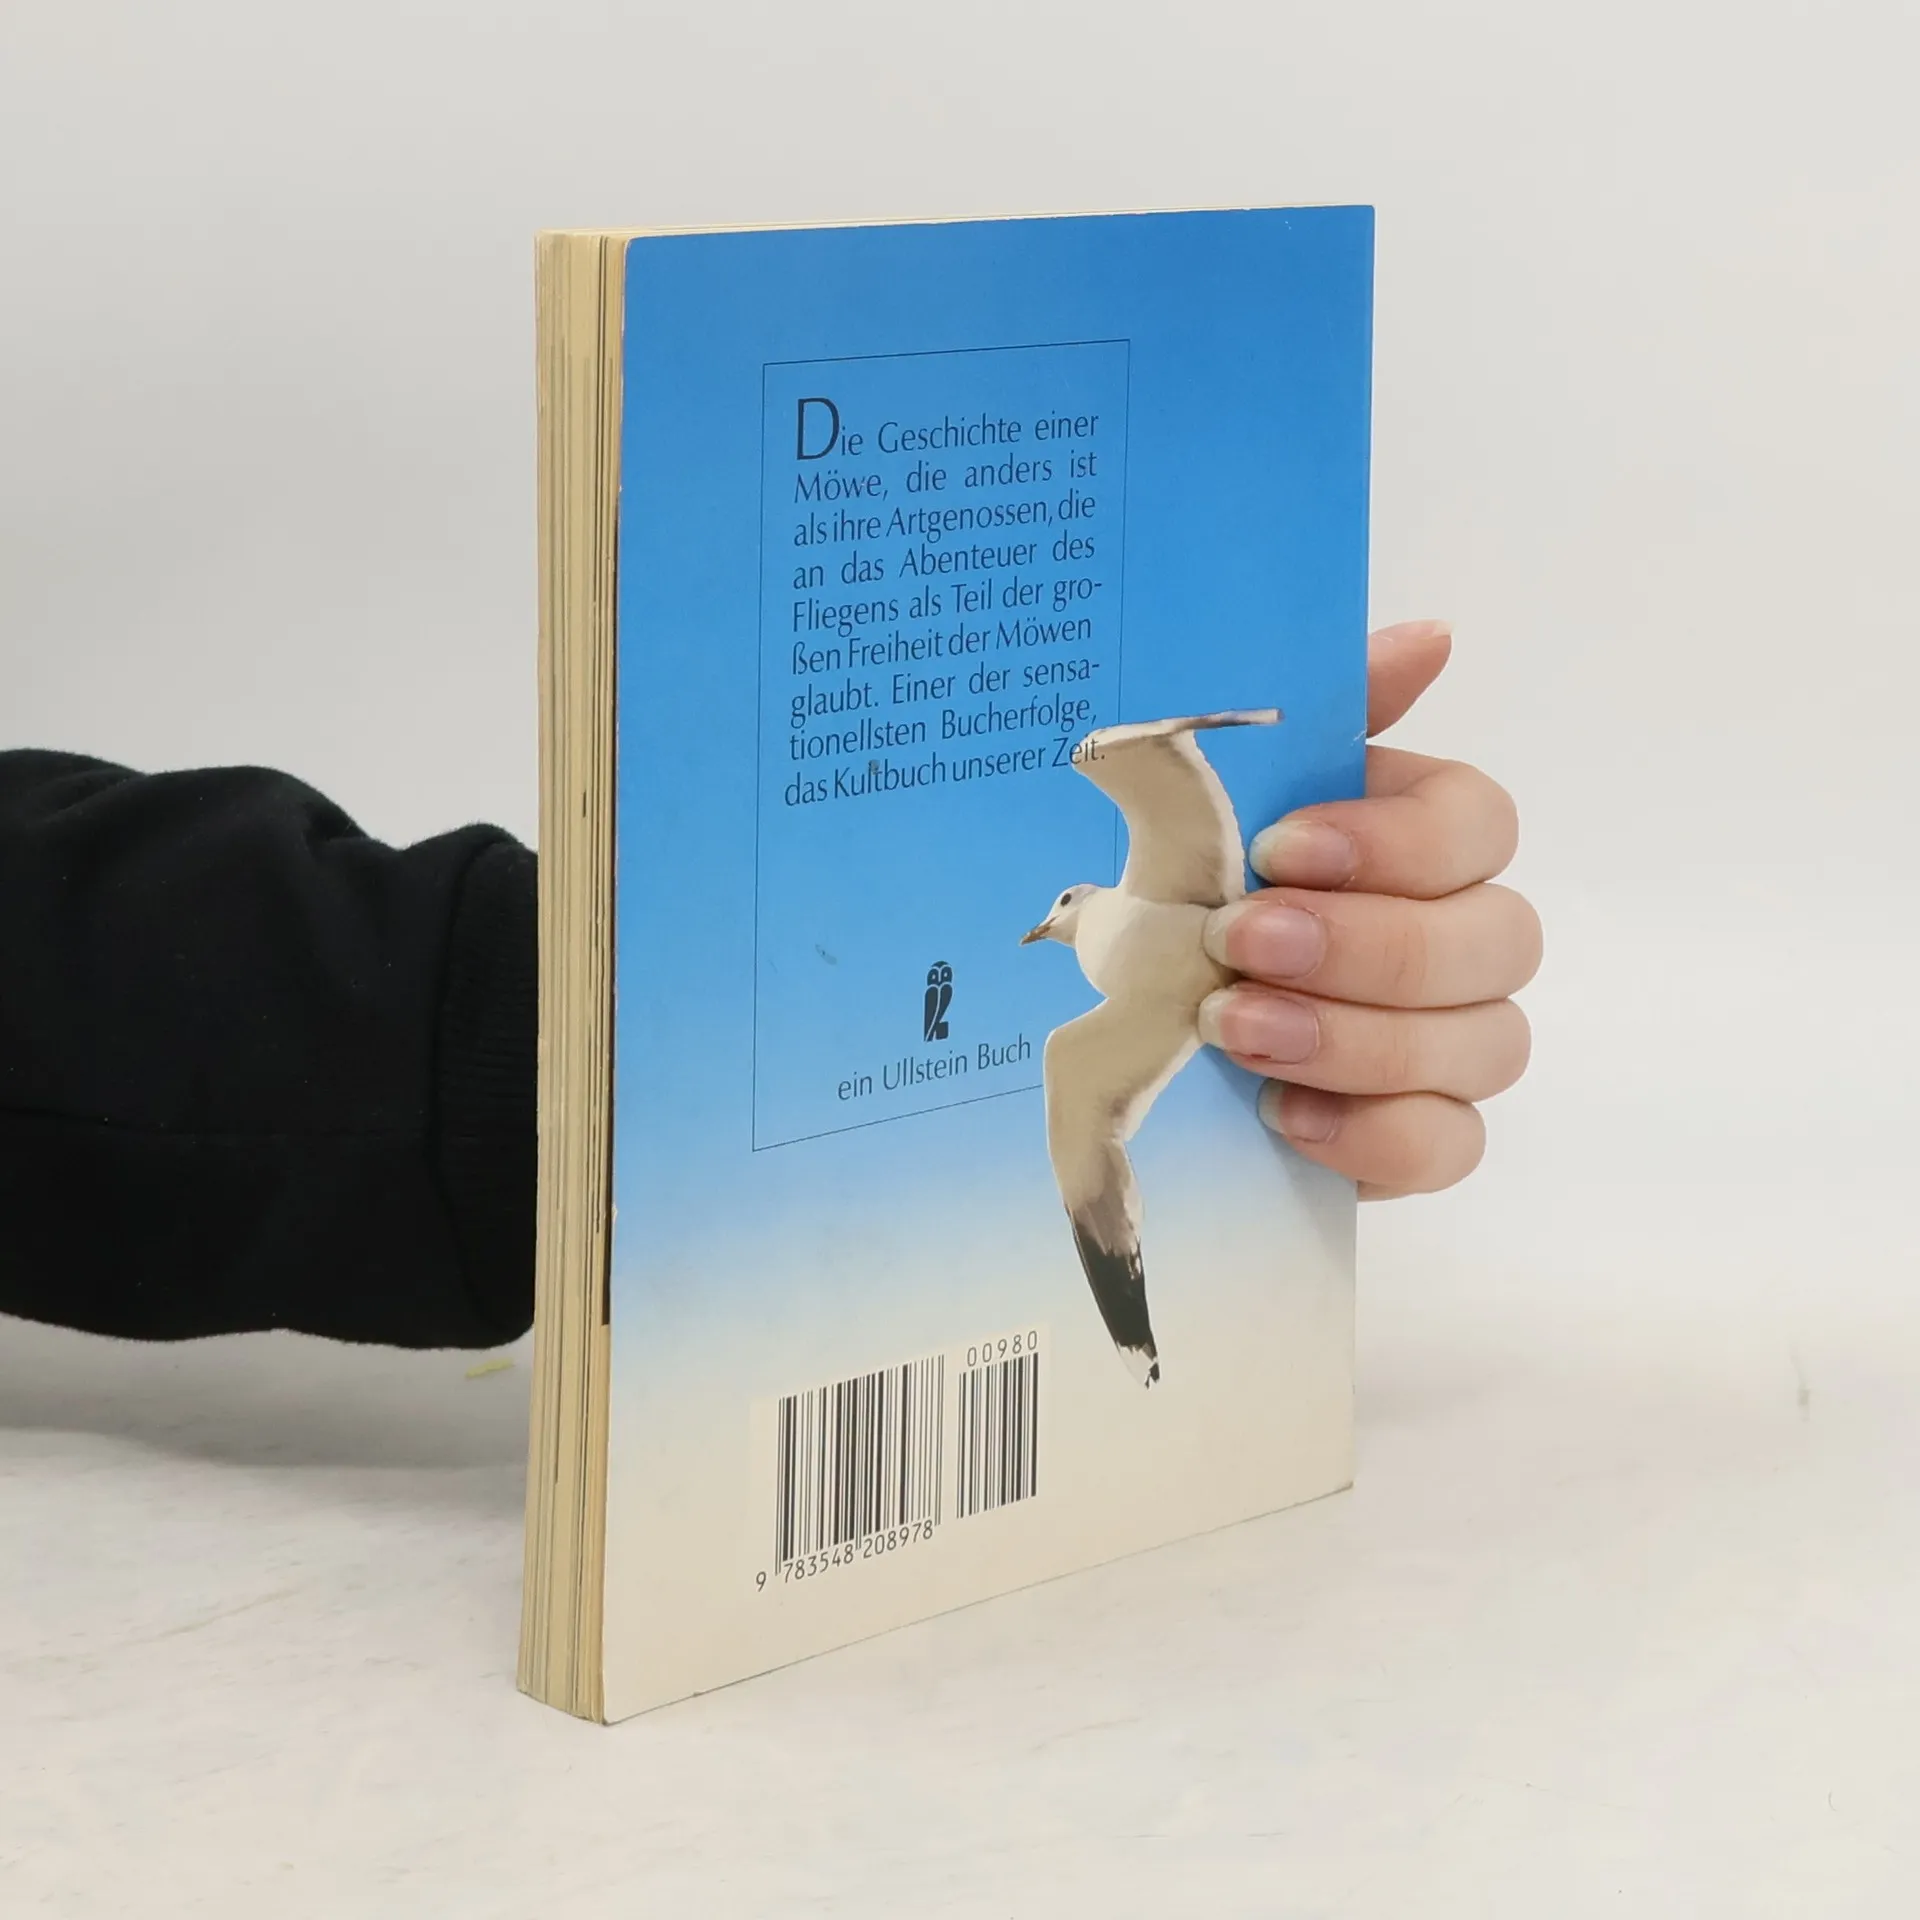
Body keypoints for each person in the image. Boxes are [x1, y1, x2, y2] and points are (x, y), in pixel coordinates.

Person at [0, 619, 1538, 1350]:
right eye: (1062, 907)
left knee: (1119, 808)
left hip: (1232, 937)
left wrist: (1301, 770)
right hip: (506, 1102)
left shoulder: (1150, 855)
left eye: (1058, 905)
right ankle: (1126, 1324)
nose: (1053, 918)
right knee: (1078, 1096)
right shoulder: (1085, 1000)